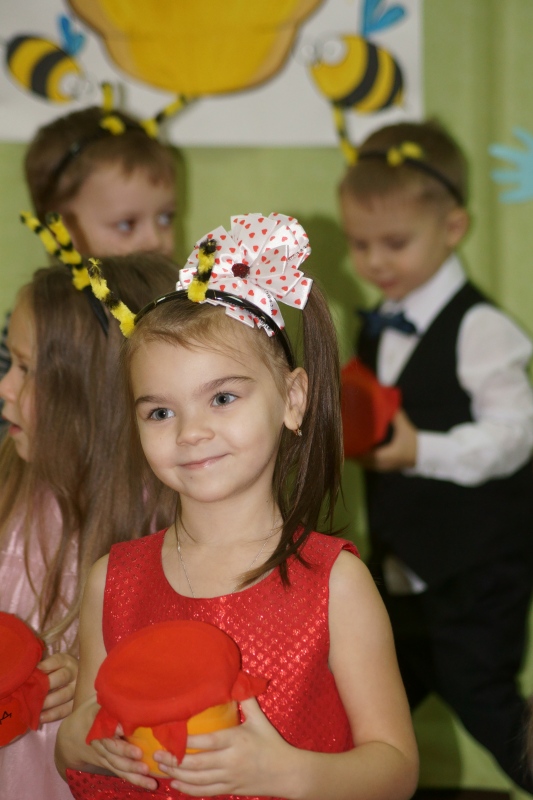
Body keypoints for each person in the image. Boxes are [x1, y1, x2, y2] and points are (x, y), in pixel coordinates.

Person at [55, 212, 419, 800]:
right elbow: (79, 745)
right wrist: (76, 743)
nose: (191, 432)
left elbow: (396, 771)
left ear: (292, 399)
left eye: (222, 398)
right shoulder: (112, 581)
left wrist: (285, 772)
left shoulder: (336, 584)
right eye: (160, 412)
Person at [339, 120, 533, 792]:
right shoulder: (379, 321)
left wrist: (420, 449)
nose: (374, 262)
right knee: (360, 711)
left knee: (488, 705)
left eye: (395, 243)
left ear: (453, 228)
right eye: (359, 244)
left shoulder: (480, 328)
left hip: (475, 572)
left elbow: (515, 435)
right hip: (403, 571)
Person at [0, 246, 178, 800]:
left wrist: (97, 683)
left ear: (89, 398)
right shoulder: (8, 488)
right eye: (10, 363)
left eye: (26, 369)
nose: (5, 387)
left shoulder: (166, 532)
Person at [0, 99, 179, 434]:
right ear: (62, 231)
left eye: (166, 217)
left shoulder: (180, 311)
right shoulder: (35, 323)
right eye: (126, 224)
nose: (155, 240)